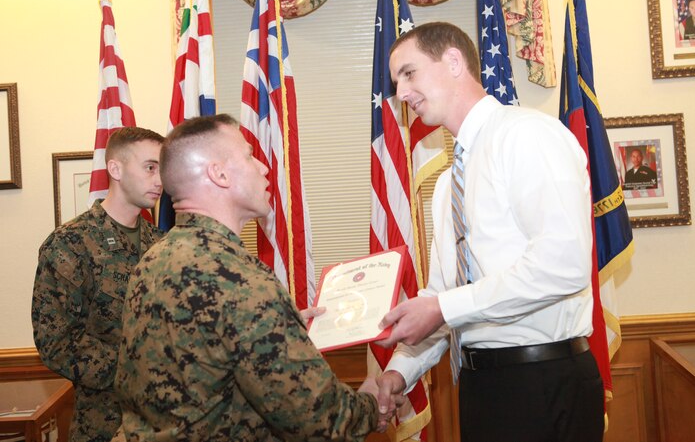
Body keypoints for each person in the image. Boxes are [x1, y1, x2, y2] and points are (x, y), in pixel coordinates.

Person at [374, 22, 604, 442]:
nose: (401, 93)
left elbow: (563, 264)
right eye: (396, 82)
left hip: (544, 382)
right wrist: (397, 371)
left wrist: (443, 308)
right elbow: (442, 293)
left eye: (409, 73)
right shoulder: (447, 185)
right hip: (481, 388)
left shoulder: (526, 135)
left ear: (454, 61)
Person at [114, 114, 402, 442]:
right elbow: (319, 421)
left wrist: (280, 326)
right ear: (219, 174)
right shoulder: (240, 281)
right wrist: (370, 405)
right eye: (250, 156)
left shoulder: (152, 260)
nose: (264, 168)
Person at [32, 127, 164, 442]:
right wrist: (134, 370)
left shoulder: (162, 244)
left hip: (164, 424)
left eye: (163, 169)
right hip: (105, 424)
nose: (160, 180)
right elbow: (56, 343)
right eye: (150, 167)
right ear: (115, 169)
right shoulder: (71, 243)